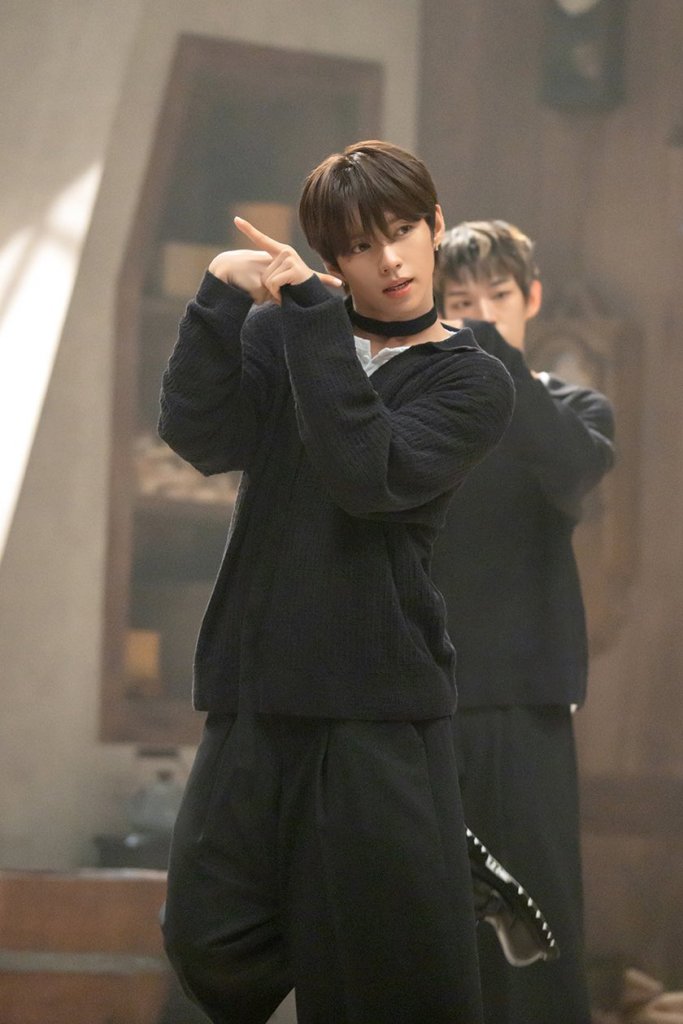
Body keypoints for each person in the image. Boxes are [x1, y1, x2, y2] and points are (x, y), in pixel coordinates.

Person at [158, 141, 515, 1024]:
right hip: (255, 686)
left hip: (375, 702)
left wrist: (312, 322)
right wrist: (220, 292)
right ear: (331, 259)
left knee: (377, 974)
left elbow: (368, 476)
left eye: (400, 232)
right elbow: (202, 436)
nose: (387, 260)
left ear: (434, 227)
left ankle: (422, 877)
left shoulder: (472, 379)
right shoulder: (286, 333)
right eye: (358, 246)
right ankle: (425, 876)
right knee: (206, 938)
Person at [432, 219, 616, 1024]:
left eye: (497, 297)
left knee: (535, 929)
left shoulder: (571, 406)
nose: (479, 316)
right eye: (459, 302)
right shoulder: (413, 410)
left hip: (522, 703)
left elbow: (571, 469)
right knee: (419, 926)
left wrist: (491, 361)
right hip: (414, 698)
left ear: (530, 298)